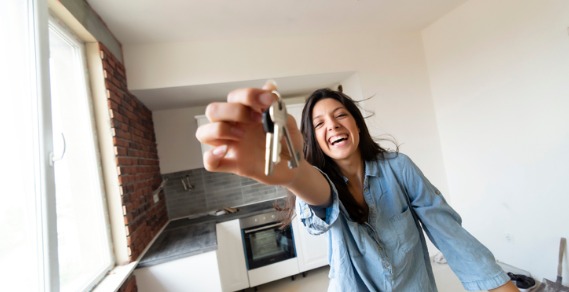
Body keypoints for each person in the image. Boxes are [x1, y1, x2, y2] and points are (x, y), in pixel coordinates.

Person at [195, 81, 518, 291]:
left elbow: (448, 231)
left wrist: (496, 284)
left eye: (340, 116)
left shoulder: (399, 167)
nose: (332, 125)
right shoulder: (316, 181)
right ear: (314, 140)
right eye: (319, 123)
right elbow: (319, 194)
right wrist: (293, 174)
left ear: (357, 125)